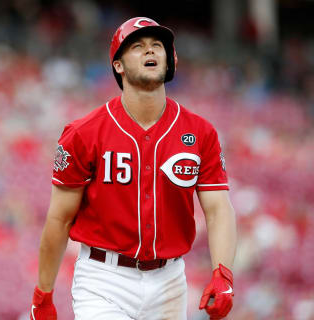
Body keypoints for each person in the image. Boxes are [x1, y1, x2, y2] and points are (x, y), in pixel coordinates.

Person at [30, 17, 237, 320]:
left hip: (170, 280)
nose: (150, 51)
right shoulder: (84, 132)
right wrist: (43, 293)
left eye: (157, 46)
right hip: (103, 278)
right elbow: (59, 218)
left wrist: (224, 274)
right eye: (137, 46)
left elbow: (218, 209)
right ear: (118, 65)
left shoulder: (201, 132)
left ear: (170, 61)